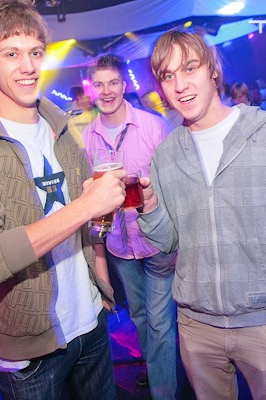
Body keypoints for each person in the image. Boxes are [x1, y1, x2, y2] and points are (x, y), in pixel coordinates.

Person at [139, 27, 266, 399]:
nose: (180, 85)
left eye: (190, 68)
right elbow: (168, 242)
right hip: (196, 327)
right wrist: (149, 208)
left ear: (213, 70)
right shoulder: (166, 154)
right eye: (168, 76)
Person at [0, 1, 125, 398]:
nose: (28, 66)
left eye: (35, 53)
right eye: (11, 54)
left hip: (91, 323)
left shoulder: (62, 127)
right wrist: (84, 207)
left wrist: (102, 287)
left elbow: (91, 222)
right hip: (30, 350)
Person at [83, 54, 178, 399]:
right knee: (139, 316)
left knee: (160, 322)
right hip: (120, 246)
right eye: (99, 84)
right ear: (91, 90)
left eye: (113, 83)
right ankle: (156, 368)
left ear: (124, 86)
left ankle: (163, 390)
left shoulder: (152, 126)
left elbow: (175, 182)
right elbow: (91, 199)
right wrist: (98, 250)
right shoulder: (88, 137)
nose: (106, 91)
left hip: (156, 240)